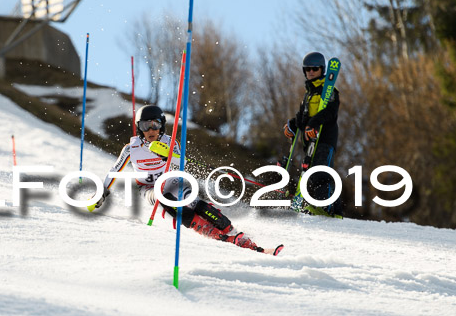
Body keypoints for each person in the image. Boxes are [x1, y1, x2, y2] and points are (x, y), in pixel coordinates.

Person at [89, 104, 262, 251]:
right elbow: (115, 170)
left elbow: (182, 165)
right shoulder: (131, 148)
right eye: (145, 125)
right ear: (139, 127)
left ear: (161, 126)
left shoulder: (170, 143)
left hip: (172, 182)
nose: (150, 130)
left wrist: (169, 156)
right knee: (164, 197)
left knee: (191, 201)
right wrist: (103, 192)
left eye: (155, 125)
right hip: (149, 189)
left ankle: (228, 228)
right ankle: (210, 232)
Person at [283, 52, 341, 214]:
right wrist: (292, 125)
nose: (310, 72)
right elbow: (302, 119)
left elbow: (330, 112)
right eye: (307, 69)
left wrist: (313, 124)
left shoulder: (329, 91)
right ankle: (335, 211)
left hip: (325, 139)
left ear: (322, 69)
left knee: (320, 173)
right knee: (312, 175)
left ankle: (325, 207)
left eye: (314, 68)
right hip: (310, 141)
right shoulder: (308, 95)